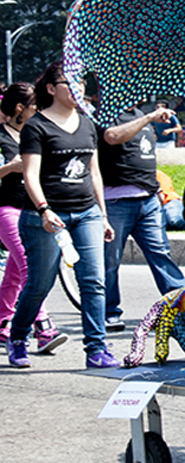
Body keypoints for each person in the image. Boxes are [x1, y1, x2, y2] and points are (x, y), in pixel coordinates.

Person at [7, 61, 118, 369]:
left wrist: (104, 215)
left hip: (87, 214)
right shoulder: (36, 126)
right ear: (52, 89)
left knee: (93, 282)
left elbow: (94, 173)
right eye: (71, 84)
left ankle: (96, 349)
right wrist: (44, 210)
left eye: (81, 84)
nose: (79, 89)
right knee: (39, 284)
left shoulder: (86, 123)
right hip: (45, 217)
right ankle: (18, 337)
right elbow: (30, 175)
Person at [99, 104, 185, 332]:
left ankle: (182, 304)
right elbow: (112, 137)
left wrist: (156, 188)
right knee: (110, 260)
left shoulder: (140, 115)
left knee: (160, 253)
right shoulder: (105, 113)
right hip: (116, 199)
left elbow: (145, 154)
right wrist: (149, 117)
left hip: (148, 199)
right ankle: (109, 312)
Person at [0, 83, 68, 353]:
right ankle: (42, 327)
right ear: (20, 108)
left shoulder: (35, 134)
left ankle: (4, 321)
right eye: (35, 106)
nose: (41, 111)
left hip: (33, 211)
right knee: (31, 267)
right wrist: (9, 168)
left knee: (15, 272)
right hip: (6, 209)